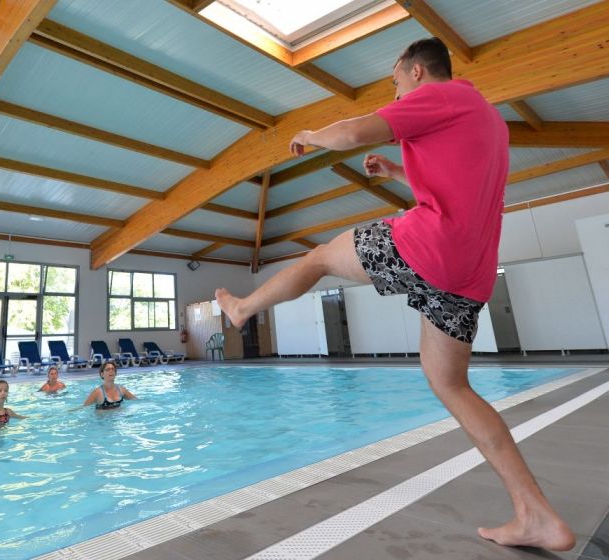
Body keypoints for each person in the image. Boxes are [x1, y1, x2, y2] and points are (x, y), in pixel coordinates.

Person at [215, 37, 574, 552]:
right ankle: (535, 514)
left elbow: (355, 131)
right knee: (450, 385)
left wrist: (313, 134)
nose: (397, 90)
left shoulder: (441, 94)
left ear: (415, 70)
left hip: (429, 246)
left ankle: (242, 309)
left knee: (318, 258)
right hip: (469, 272)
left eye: (396, 80)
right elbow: (453, 188)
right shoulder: (486, 119)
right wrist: (396, 171)